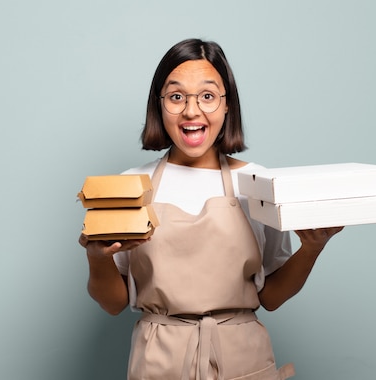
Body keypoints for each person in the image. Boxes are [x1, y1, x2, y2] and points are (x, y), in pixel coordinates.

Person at [78, 38, 343, 380]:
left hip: (242, 357)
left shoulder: (256, 182)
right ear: (159, 105)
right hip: (159, 360)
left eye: (207, 96)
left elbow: (272, 297)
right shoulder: (131, 185)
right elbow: (112, 303)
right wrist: (97, 258)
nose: (192, 111)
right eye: (176, 97)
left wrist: (312, 248)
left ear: (227, 105)